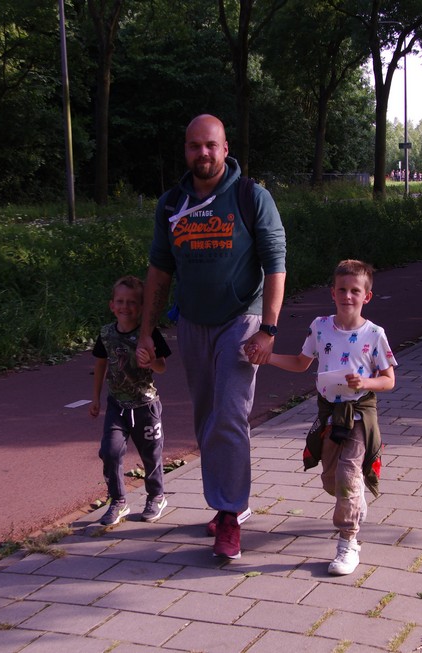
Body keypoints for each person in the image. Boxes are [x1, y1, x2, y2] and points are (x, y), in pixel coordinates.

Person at [136, 114, 287, 559]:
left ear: (225, 149)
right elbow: (159, 270)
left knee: (229, 415)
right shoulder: (172, 203)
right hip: (193, 323)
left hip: (242, 320)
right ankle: (228, 501)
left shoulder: (251, 197)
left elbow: (275, 264)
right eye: (194, 145)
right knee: (206, 417)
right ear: (185, 150)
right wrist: (146, 331)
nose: (202, 153)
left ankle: (228, 513)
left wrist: (269, 329)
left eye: (210, 145)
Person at [263, 259, 396, 575]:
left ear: (366, 296)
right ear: (332, 293)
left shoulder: (374, 334)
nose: (348, 296)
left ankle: (348, 542)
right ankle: (355, 498)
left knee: (348, 475)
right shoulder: (320, 327)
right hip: (329, 415)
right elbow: (300, 363)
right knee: (331, 478)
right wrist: (267, 358)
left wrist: (365, 382)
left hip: (359, 414)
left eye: (355, 291)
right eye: (342, 289)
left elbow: (389, 380)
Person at [90, 275, 172, 525]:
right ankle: (118, 501)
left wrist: (151, 361)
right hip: (117, 406)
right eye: (120, 301)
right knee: (110, 452)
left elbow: (162, 367)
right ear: (112, 305)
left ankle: (156, 496)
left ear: (142, 307)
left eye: (132, 302)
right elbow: (100, 365)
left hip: (146, 406)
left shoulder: (149, 334)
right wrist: (95, 398)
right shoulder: (106, 334)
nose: (125, 307)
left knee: (151, 455)